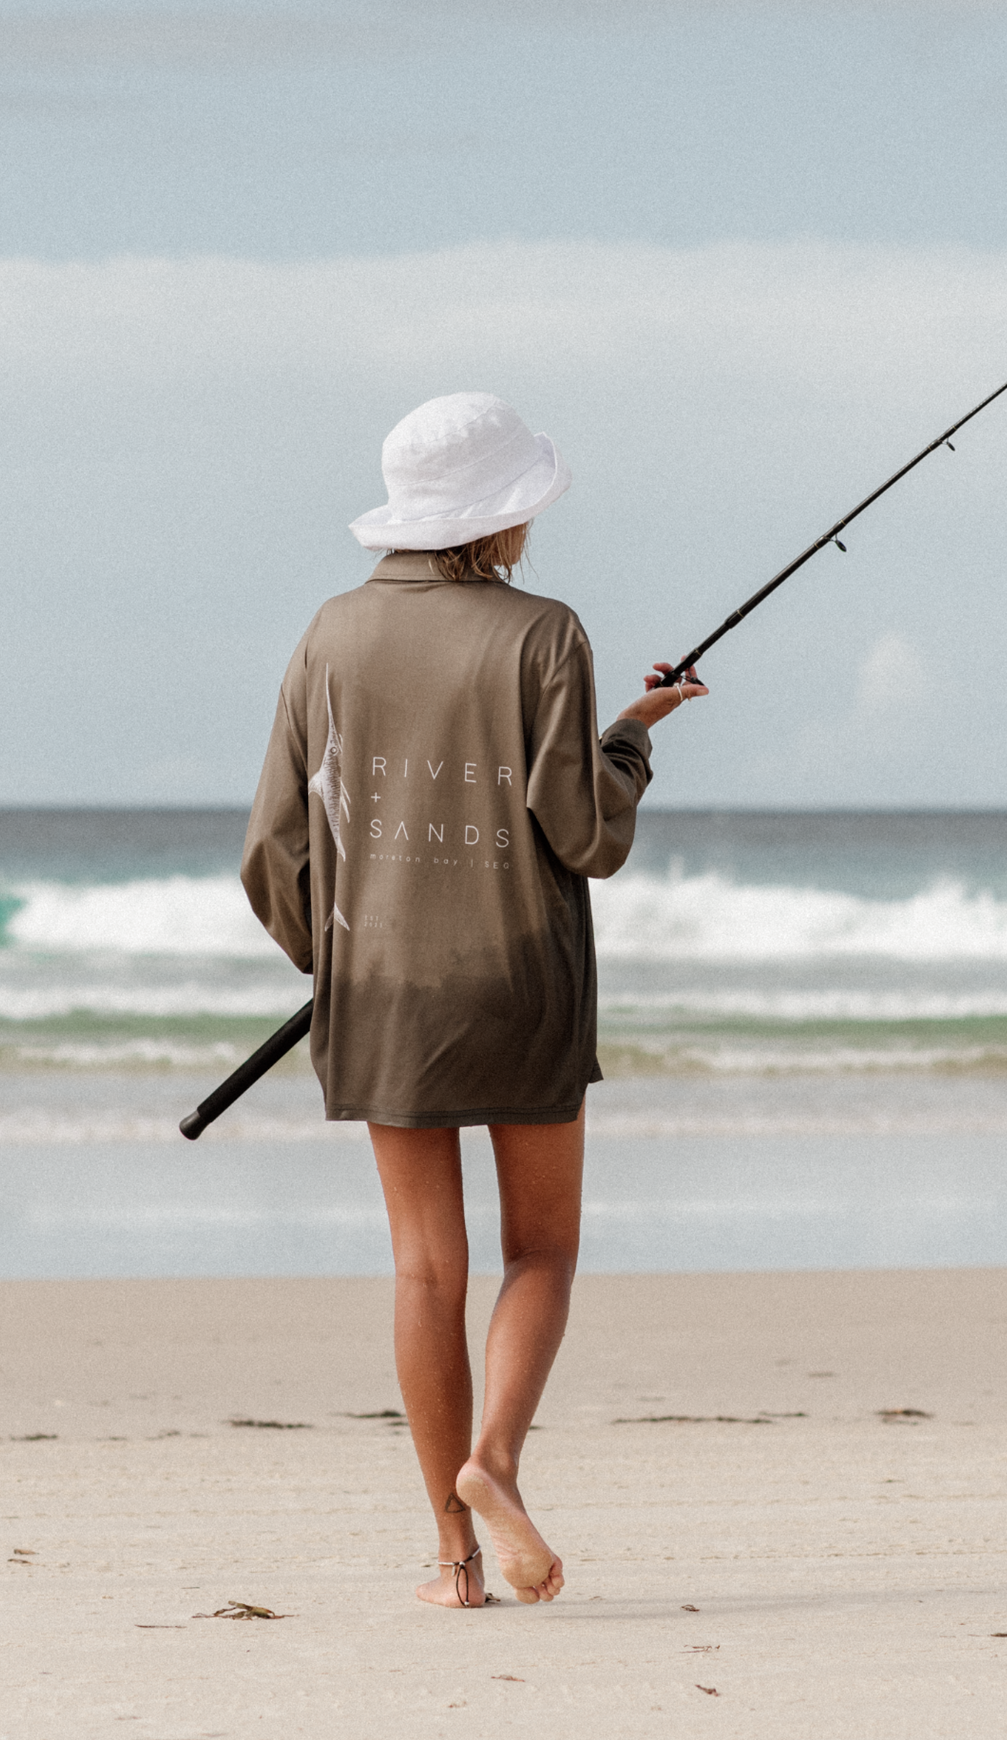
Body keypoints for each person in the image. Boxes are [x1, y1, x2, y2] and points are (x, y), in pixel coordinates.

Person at [240, 392, 704, 1608]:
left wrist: (334, 959)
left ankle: (451, 1558)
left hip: (379, 993)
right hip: (518, 980)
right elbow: (581, 832)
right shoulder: (544, 634)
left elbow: (273, 849)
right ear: (499, 516)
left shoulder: (327, 635)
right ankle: (491, 1461)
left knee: (423, 1268)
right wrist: (635, 738)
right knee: (538, 1246)